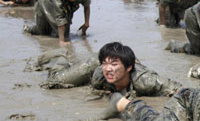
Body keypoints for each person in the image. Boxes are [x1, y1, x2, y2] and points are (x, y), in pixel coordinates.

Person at [32, 43, 182, 103]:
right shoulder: (100, 74)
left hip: (120, 62)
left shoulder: (145, 80)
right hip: (94, 63)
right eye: (107, 65)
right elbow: (95, 85)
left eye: (113, 65)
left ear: (129, 67)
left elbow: (179, 89)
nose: (108, 69)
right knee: (55, 81)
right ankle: (60, 56)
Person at [23, 0, 91, 46]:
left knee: (65, 34)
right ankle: (28, 28)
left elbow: (87, 6)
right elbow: (60, 19)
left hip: (66, 5)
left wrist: (86, 23)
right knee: (42, 31)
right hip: (44, 3)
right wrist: (61, 41)